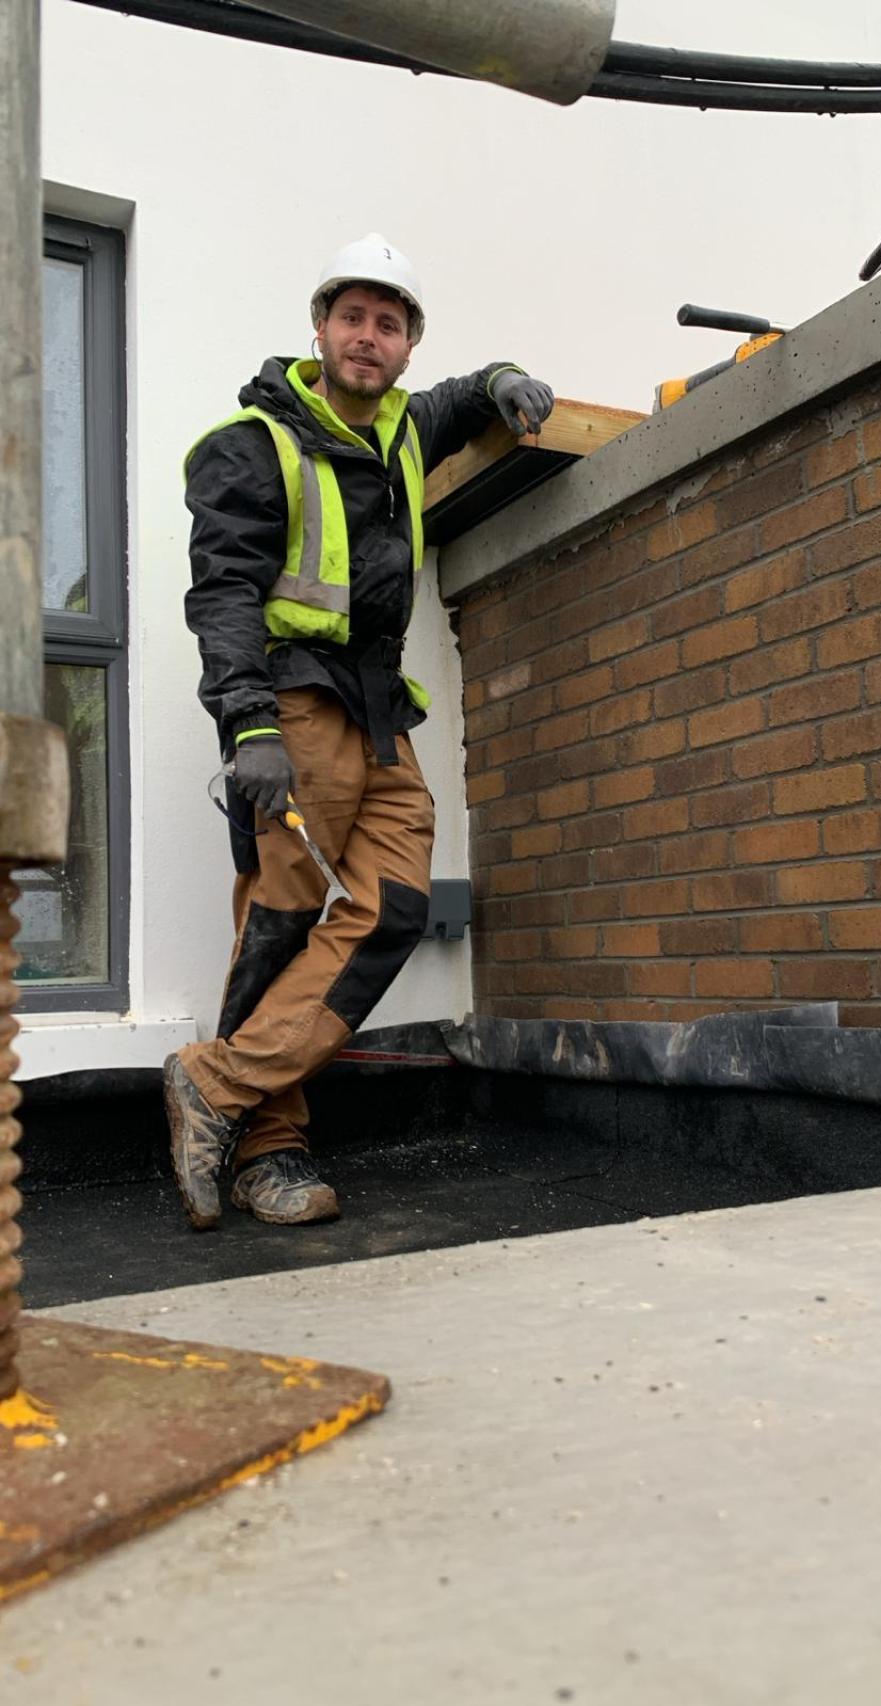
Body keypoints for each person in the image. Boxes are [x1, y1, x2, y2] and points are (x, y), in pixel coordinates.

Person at [164, 233, 554, 1230]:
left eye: (389, 323)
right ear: (321, 327)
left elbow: (464, 396)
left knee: (394, 907)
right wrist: (248, 724)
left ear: (408, 344)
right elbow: (223, 593)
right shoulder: (256, 442)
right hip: (293, 704)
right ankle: (269, 1151)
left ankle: (215, 1082)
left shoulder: (407, 427)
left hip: (379, 709)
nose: (368, 337)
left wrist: (505, 380)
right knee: (282, 920)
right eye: (352, 318)